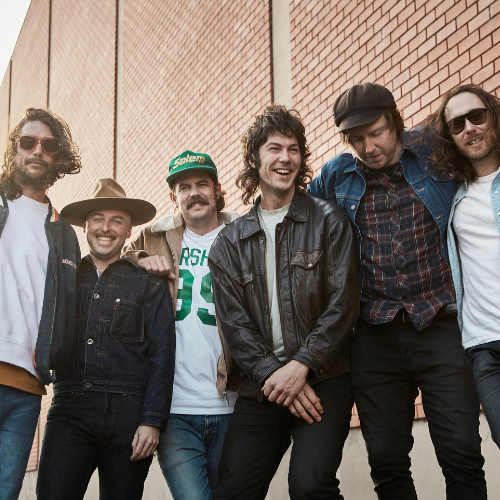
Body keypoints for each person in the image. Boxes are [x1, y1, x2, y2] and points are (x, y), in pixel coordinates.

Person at [309, 82, 487, 500]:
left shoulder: (434, 148)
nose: (369, 147)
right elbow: (288, 212)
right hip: (375, 337)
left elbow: (483, 147)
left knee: (461, 452)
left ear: (395, 122)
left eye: (376, 133)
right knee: (387, 462)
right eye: (357, 139)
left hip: (441, 326)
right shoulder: (337, 175)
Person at [209, 105, 359, 500]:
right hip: (262, 385)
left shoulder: (329, 220)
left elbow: (343, 304)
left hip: (324, 378)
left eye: (293, 149)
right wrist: (276, 374)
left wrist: (302, 364)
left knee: (310, 486)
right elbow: (235, 325)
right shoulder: (228, 243)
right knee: (232, 491)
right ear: (254, 159)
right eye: (274, 148)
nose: (285, 158)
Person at [36, 179, 175, 500]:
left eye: (116, 221)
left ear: (128, 231)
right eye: (97, 218)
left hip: (130, 416)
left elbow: (163, 355)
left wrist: (152, 421)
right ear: (85, 226)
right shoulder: (64, 278)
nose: (105, 228)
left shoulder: (149, 284)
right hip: (69, 409)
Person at [123, 151, 238, 499]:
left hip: (233, 405)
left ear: (217, 189)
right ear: (174, 197)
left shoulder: (243, 233)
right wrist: (141, 259)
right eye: (184, 187)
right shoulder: (154, 237)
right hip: (174, 412)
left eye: (202, 184)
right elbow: (118, 261)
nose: (194, 193)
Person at [0, 108, 82, 499]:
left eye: (48, 145)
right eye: (28, 141)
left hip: (27, 387)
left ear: (58, 157)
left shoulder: (64, 233)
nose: (37, 150)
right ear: (14, 149)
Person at [422, 84, 500, 449]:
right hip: (483, 345)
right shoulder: (451, 194)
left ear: (493, 117)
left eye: (477, 116)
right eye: (457, 124)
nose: (469, 128)